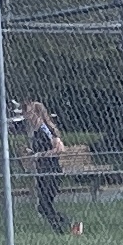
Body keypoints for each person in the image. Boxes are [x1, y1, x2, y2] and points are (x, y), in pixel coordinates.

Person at [21, 97, 85, 236]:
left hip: (52, 171)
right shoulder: (36, 132)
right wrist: (32, 153)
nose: (27, 117)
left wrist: (40, 155)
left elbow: (59, 148)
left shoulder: (47, 129)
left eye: (30, 113)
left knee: (44, 205)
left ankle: (65, 228)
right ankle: (66, 227)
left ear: (37, 114)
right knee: (43, 207)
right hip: (42, 171)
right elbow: (41, 151)